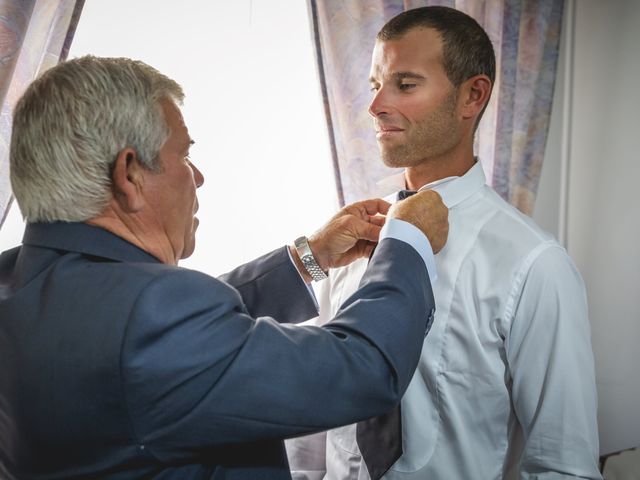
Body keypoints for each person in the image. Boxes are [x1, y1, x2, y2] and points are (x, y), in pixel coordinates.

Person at [0, 56, 450, 479]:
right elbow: (362, 368)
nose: (197, 177)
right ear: (130, 174)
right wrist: (406, 243)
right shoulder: (151, 321)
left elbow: (174, 341)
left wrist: (310, 257)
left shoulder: (16, 282)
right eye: (184, 154)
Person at [286, 6, 601, 480]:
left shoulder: (535, 265)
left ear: (472, 95)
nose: (374, 107)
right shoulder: (352, 240)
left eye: (405, 85)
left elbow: (563, 465)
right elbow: (313, 421)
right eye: (375, 85)